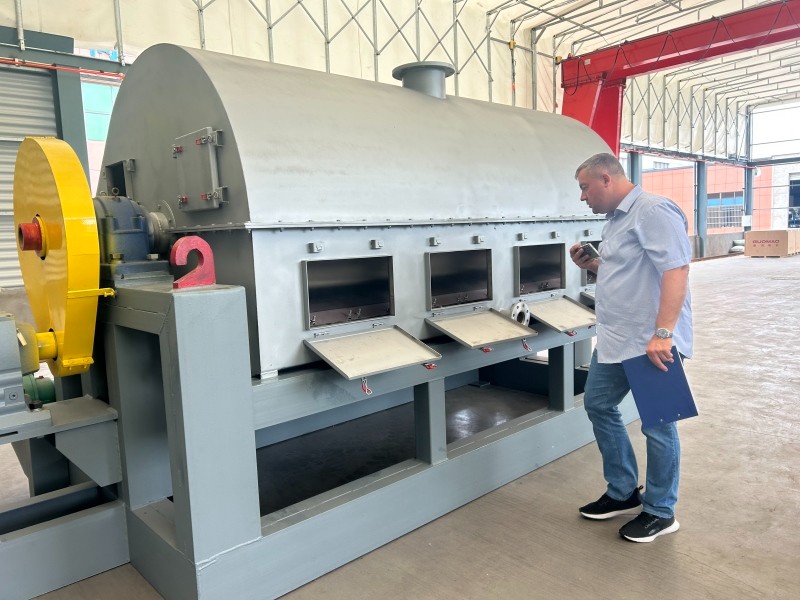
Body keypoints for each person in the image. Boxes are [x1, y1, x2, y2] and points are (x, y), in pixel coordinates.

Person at [569, 153, 693, 543]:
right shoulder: (616, 220)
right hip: (617, 340)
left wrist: (664, 332)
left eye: (585, 187)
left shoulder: (653, 211)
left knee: (658, 422)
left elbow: (677, 269)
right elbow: (628, 272)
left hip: (650, 342)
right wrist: (593, 266)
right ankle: (623, 491)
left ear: (606, 179)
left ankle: (661, 511)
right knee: (598, 403)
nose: (583, 197)